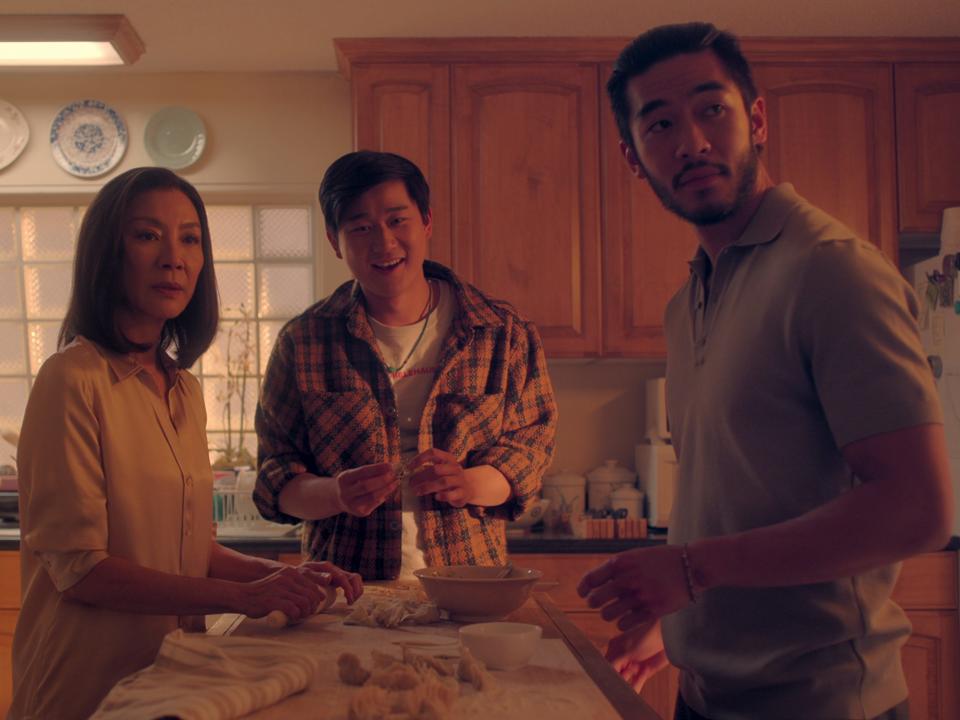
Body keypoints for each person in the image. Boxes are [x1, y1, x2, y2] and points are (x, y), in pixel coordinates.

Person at [577, 22, 954, 720]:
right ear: (634, 158)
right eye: (659, 124)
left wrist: (691, 571)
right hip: (708, 692)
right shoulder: (686, 301)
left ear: (755, 118)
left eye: (710, 109)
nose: (690, 141)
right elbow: (741, 496)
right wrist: (683, 620)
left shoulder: (831, 269)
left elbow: (918, 507)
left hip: (826, 705)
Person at [10, 167, 362, 720]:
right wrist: (242, 599)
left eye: (190, 238)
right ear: (109, 252)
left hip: (174, 682)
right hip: (85, 687)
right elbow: (81, 569)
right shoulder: (71, 380)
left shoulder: (183, 389)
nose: (174, 257)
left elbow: (188, 554)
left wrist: (279, 576)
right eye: (147, 235)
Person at [253, 150, 557, 580]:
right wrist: (336, 493)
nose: (383, 243)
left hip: (469, 587)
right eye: (360, 228)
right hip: (345, 593)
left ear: (427, 221)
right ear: (333, 241)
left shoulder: (502, 333)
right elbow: (275, 479)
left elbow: (530, 452)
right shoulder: (303, 342)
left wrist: (468, 483)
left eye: (398, 220)